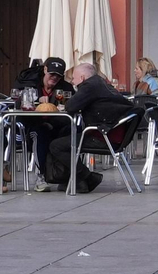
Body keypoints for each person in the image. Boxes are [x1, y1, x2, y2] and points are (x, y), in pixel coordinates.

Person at [43, 63, 133, 193]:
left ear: (83, 77)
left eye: (74, 78)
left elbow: (71, 107)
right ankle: (73, 181)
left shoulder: (89, 86)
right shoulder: (102, 84)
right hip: (113, 134)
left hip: (103, 137)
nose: (72, 82)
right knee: (65, 133)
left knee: (56, 145)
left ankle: (87, 177)